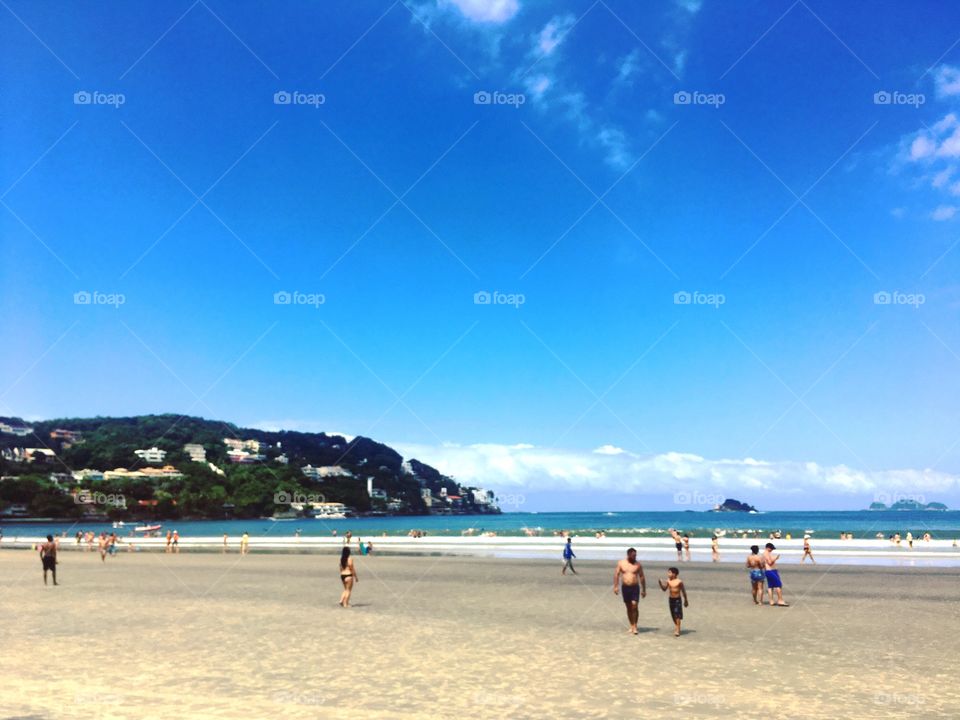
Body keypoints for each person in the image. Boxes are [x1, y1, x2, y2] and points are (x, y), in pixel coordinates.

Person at [613, 548, 646, 635]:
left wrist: (644, 590)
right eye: (633, 555)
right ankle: (631, 625)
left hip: (635, 587)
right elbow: (616, 574)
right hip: (625, 588)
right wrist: (616, 586)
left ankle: (635, 625)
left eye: (635, 555)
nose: (635, 557)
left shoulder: (638, 564)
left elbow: (642, 576)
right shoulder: (621, 563)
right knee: (628, 607)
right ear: (628, 555)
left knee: (634, 606)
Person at [658, 567, 688, 637]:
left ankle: (678, 630)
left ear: (674, 574)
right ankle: (677, 626)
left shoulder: (679, 582)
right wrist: (660, 584)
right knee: (673, 615)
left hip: (677, 600)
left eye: (669, 572)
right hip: (671, 599)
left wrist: (686, 600)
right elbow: (664, 589)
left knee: (677, 614)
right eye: (668, 572)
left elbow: (683, 591)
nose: (668, 574)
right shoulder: (668, 581)